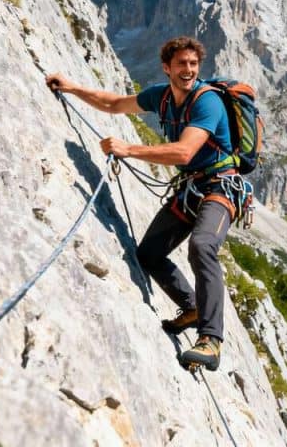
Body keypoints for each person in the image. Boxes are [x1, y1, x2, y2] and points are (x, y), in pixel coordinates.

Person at [46, 36, 234, 371]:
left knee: (203, 245)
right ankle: (191, 306)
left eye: (193, 64)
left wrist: (129, 149)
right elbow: (114, 104)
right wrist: (72, 88)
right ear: (167, 67)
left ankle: (211, 340)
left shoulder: (207, 102)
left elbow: (184, 152)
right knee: (148, 253)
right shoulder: (160, 97)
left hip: (220, 189)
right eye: (181, 64)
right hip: (192, 189)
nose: (189, 70)